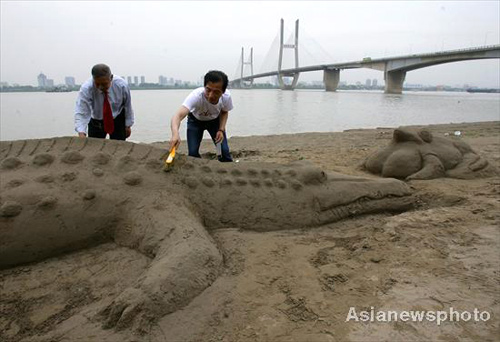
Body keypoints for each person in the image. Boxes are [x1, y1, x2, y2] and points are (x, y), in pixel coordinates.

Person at [170, 70, 233, 162]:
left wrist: (221, 129)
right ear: (204, 86)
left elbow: (224, 112)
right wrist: (175, 134)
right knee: (192, 153)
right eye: (208, 90)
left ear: (223, 91)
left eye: (216, 92)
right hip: (195, 121)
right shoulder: (196, 96)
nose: (211, 95)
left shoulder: (226, 97)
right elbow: (178, 116)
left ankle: (223, 161)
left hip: (215, 122)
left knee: (224, 151)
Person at [75, 64, 134, 140]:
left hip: (117, 118)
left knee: (118, 146)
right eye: (97, 84)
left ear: (111, 78)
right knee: (94, 146)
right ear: (93, 79)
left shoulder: (121, 85)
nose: (100, 87)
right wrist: (81, 132)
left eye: (104, 84)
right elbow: (82, 111)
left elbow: (127, 105)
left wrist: (128, 125)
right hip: (96, 120)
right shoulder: (86, 88)